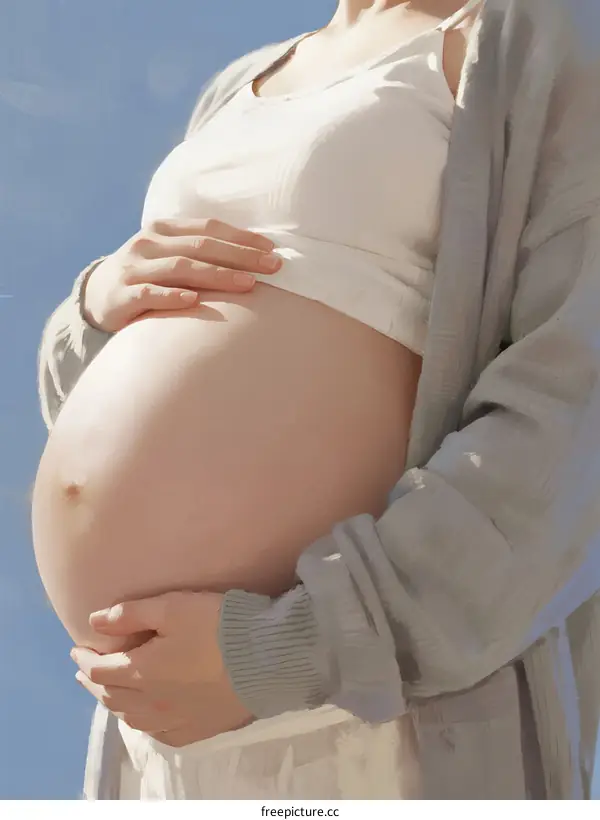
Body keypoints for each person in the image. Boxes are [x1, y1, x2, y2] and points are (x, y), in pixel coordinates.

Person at [35, 0, 600, 801]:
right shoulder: (236, 87)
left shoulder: (549, 38)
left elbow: (572, 426)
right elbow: (115, 395)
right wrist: (95, 305)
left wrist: (278, 653)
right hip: (165, 720)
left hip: (366, 716)